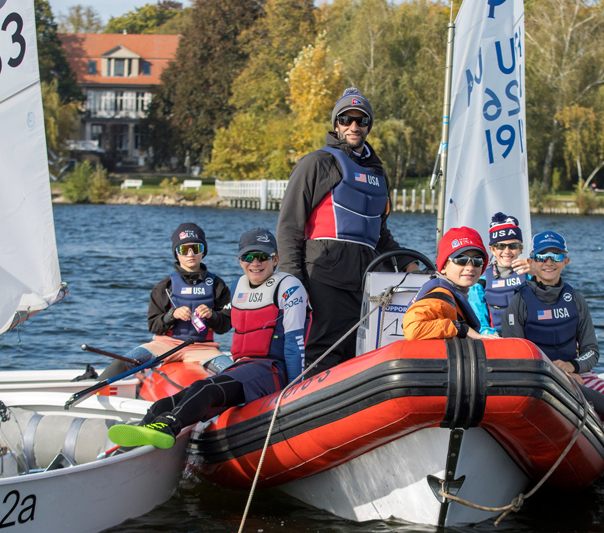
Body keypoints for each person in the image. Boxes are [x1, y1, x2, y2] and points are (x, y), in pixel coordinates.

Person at [108, 227, 311, 449]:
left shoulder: (289, 288)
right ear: (240, 260)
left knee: (205, 389)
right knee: (165, 403)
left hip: (270, 370)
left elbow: (294, 344)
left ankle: (168, 427)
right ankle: (127, 449)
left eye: (262, 256)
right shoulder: (237, 287)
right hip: (242, 366)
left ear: (275, 259)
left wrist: (295, 389)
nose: (255, 262)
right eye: (248, 257)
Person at [277, 87, 418, 375]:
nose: (353, 126)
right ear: (335, 124)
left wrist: (408, 263)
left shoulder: (378, 174)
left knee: (358, 350)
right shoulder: (317, 163)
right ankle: (307, 411)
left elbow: (380, 234)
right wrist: (293, 282)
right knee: (324, 348)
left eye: (361, 120)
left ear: (368, 126)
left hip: (365, 281)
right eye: (346, 119)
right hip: (323, 275)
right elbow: (289, 225)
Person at [502, 231, 604, 425]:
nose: (549, 262)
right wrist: (558, 373)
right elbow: (516, 356)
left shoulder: (576, 300)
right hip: (538, 379)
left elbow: (592, 351)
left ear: (566, 261)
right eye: (541, 257)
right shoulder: (518, 302)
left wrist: (572, 367)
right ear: (532, 262)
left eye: (556, 256)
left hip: (579, 375)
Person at [96, 223, 231, 380]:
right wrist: (172, 315)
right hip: (164, 345)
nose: (190, 254)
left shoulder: (217, 285)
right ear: (176, 253)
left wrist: (212, 315)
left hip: (203, 348)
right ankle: (93, 389)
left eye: (196, 248)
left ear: (203, 252)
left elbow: (225, 326)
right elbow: (153, 325)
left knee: (232, 372)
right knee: (124, 362)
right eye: (183, 250)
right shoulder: (164, 287)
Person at [403, 227, 499, 341]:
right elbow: (412, 329)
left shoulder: (454, 294)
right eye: (461, 260)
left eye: (477, 260)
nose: (470, 267)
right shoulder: (440, 297)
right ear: (443, 267)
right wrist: (460, 328)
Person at [468, 213, 531, 336]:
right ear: (492, 249)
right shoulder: (481, 281)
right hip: (496, 341)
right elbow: (479, 320)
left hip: (528, 340)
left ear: (521, 249)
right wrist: (489, 335)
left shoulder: (531, 276)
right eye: (500, 246)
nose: (507, 251)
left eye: (513, 246)